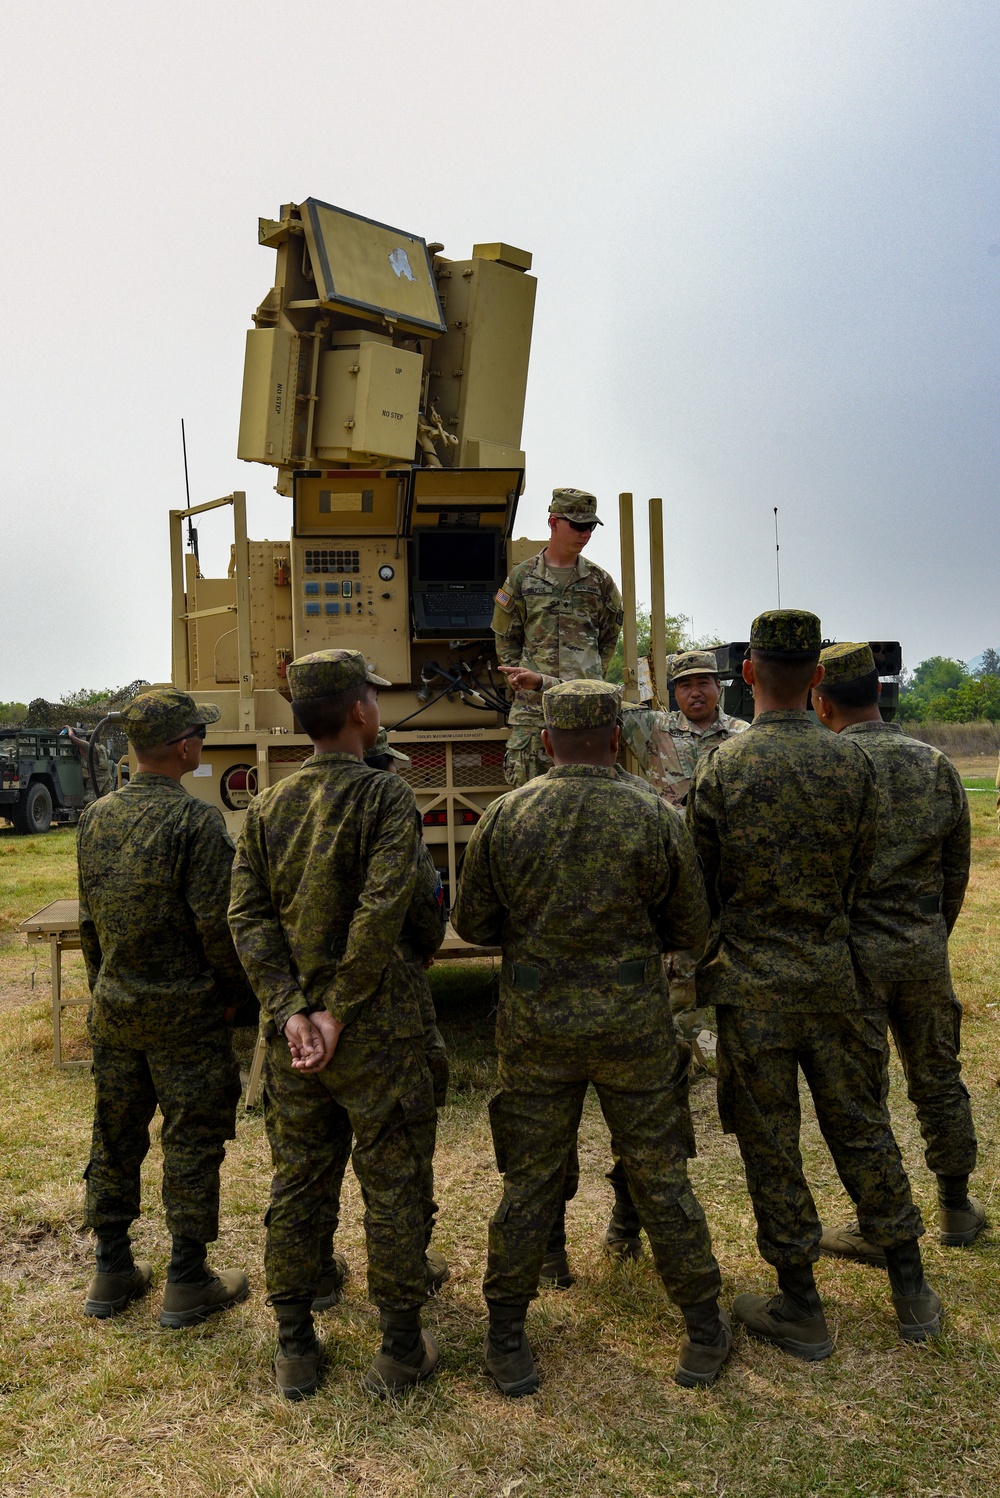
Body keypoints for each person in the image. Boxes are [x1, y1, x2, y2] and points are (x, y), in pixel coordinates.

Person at [452, 679, 732, 1397]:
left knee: (529, 1180)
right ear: (616, 738)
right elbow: (694, 931)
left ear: (546, 740)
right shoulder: (654, 815)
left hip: (537, 1025)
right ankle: (704, 1328)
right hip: (633, 1024)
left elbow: (475, 924)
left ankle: (507, 1337)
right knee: (660, 1173)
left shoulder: (506, 816)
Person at [688, 609, 941, 1359]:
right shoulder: (853, 763)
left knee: (771, 1144)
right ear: (819, 678)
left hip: (754, 988)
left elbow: (701, 888)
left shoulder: (724, 767)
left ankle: (801, 1305)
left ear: (748, 675)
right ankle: (911, 1288)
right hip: (836, 979)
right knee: (862, 1126)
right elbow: (864, 871)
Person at [228, 650, 443, 1401]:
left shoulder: (266, 807)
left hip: (297, 1045)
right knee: (392, 1184)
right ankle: (400, 1348)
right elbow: (390, 909)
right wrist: (339, 1010)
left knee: (299, 1182)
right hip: (375, 1030)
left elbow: (247, 918)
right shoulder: (386, 798)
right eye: (373, 700)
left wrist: (291, 1011)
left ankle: (295, 1343)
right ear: (359, 712)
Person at [77, 688, 250, 1327]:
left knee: (116, 1138)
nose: (200, 744)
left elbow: (91, 922)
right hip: (187, 1016)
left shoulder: (96, 818)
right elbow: (219, 926)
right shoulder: (195, 823)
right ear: (184, 748)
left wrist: (107, 990)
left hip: (117, 1007)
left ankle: (112, 1267)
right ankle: (186, 1278)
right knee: (193, 1139)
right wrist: (238, 998)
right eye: (198, 736)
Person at [811, 642, 983, 1262]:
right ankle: (957, 1206)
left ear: (820, 699)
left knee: (861, 1096)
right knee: (939, 1079)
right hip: (921, 951)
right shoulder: (935, 763)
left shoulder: (825, 765)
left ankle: (879, 1222)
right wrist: (931, 931)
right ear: (880, 695)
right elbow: (955, 869)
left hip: (853, 960)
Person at [309, 727, 450, 1316]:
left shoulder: (284, 809)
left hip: (302, 1014)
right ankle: (405, 1272)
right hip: (387, 1011)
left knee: (304, 1165)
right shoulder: (391, 816)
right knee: (396, 1159)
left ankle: (312, 1275)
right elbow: (420, 907)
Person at [493, 487, 623, 788]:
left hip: (587, 712)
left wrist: (588, 676)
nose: (585, 533)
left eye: (590, 526)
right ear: (553, 522)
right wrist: (517, 677)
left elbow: (608, 638)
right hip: (534, 712)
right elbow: (506, 637)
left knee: (590, 800)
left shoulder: (599, 581)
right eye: (577, 525)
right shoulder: (522, 578)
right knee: (527, 803)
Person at [62, 723, 113, 798]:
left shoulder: (89, 746)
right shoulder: (103, 748)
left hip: (97, 779)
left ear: (89, 738)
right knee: (105, 801)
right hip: (108, 778)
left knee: (89, 801)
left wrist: (68, 728)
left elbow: (71, 736)